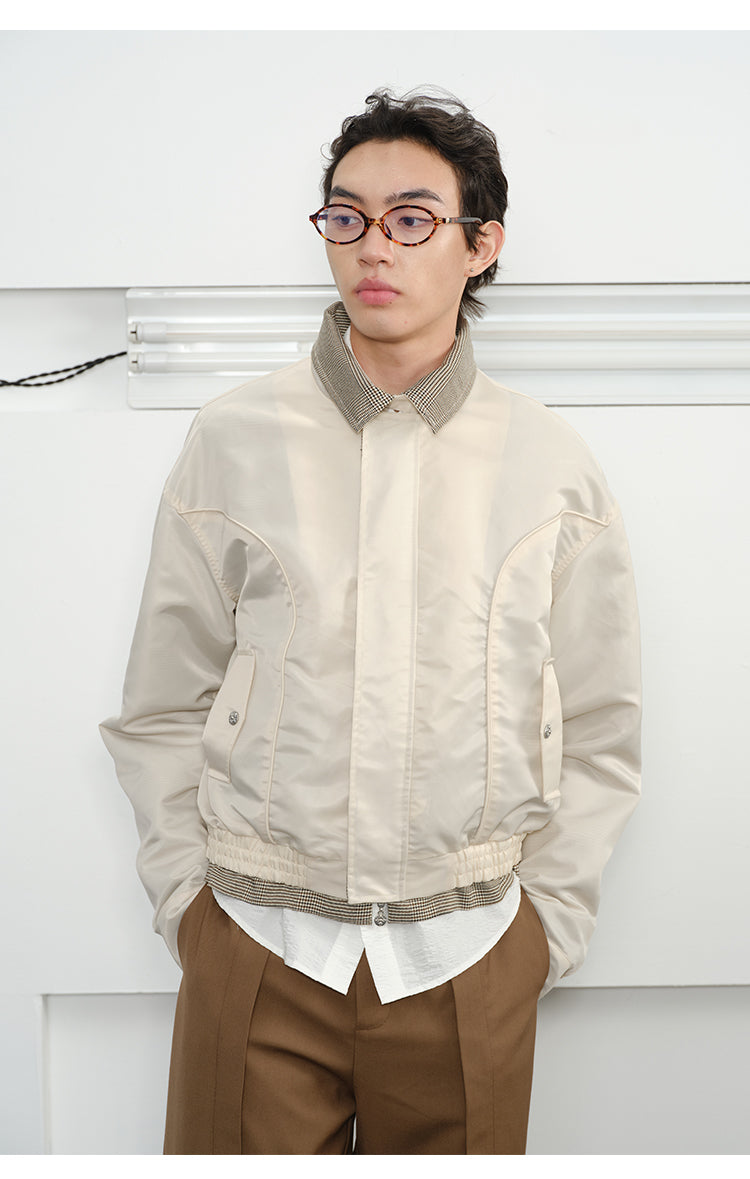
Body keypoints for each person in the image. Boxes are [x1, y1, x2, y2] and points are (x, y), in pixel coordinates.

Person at [100, 88, 641, 1155]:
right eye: (346, 216)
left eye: (411, 218)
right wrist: (189, 911)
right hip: (257, 943)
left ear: (481, 245)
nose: (372, 246)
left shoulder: (551, 467)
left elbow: (602, 728)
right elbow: (163, 702)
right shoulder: (234, 439)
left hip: (468, 956)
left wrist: (542, 931)